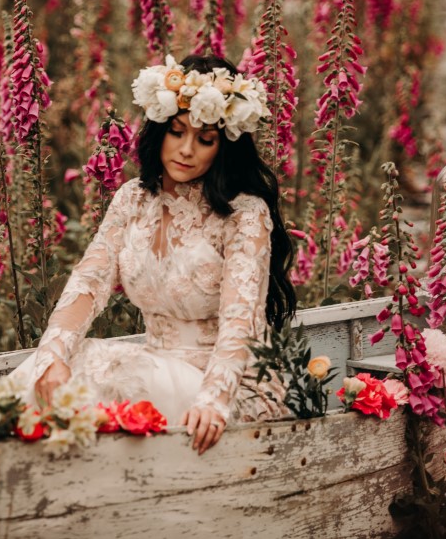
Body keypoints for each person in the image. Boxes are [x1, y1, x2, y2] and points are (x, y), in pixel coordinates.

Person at [15, 54, 297, 455]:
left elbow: (242, 322)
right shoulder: (133, 199)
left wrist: (214, 398)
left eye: (205, 139)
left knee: (113, 379)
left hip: (228, 385)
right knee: (56, 370)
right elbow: (88, 282)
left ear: (225, 146)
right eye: (177, 132)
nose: (186, 150)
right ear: (159, 129)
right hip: (157, 368)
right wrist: (52, 356)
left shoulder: (244, 213)